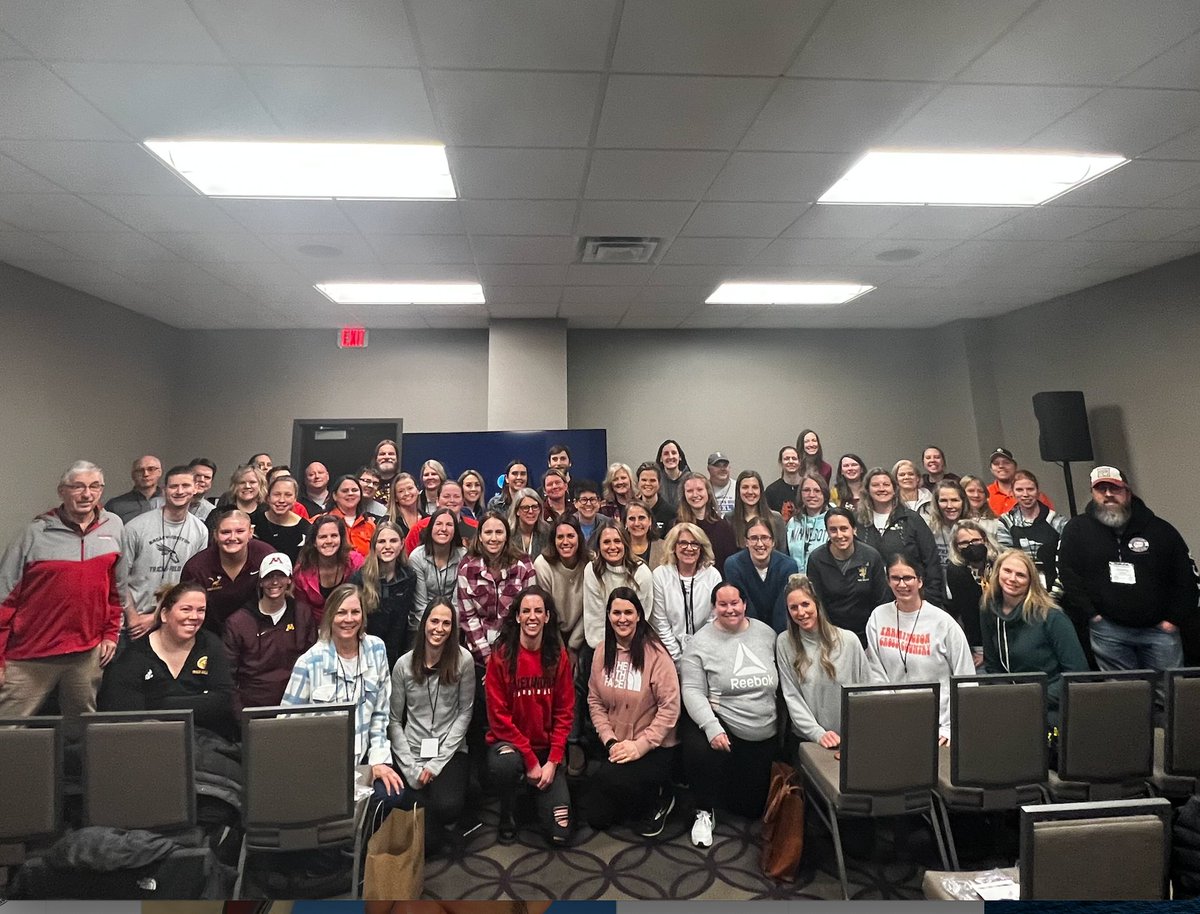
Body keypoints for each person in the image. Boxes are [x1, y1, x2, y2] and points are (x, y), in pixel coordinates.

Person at [0, 461, 123, 716]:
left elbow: (115, 590)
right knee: (9, 731)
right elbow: (4, 599)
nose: (86, 494)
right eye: (77, 487)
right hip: (29, 656)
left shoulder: (113, 527)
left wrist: (110, 633)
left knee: (80, 731)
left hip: (86, 655)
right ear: (61, 491)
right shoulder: (33, 534)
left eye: (94, 486)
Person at [1056, 465, 1198, 675]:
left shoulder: (1160, 529)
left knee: (1170, 695)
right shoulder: (1077, 530)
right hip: (1108, 631)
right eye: (1101, 489)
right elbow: (1067, 573)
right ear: (1093, 493)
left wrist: (1173, 620)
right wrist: (1092, 614)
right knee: (1126, 696)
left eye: (1114, 488)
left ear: (1128, 492)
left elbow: (1186, 577)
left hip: (1160, 631)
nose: (1108, 495)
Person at [283, 584, 403, 806]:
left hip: (363, 762)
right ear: (330, 616)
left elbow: (380, 714)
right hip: (321, 765)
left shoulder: (377, 650)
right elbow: (287, 726)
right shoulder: (309, 662)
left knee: (392, 793)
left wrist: (379, 762)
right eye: (341, 612)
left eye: (355, 612)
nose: (349, 619)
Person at [681, 581, 779, 847]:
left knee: (749, 808)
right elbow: (691, 690)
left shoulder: (767, 634)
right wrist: (712, 727)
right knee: (697, 749)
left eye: (735, 603)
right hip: (725, 728)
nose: (729, 609)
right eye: (722, 604)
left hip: (764, 729)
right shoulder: (699, 642)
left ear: (745, 604)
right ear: (714, 608)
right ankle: (703, 809)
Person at [585, 588, 680, 837]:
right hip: (616, 745)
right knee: (597, 818)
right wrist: (610, 741)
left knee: (613, 784)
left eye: (629, 612)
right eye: (616, 613)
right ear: (608, 616)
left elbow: (670, 709)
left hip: (652, 747)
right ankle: (636, 797)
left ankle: (663, 794)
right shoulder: (601, 652)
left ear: (639, 615)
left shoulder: (656, 655)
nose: (622, 619)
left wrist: (640, 746)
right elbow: (594, 702)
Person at [486, 586, 575, 845]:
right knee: (506, 765)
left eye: (538, 611)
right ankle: (508, 812)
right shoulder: (501, 656)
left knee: (561, 834)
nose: (532, 616)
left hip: (546, 750)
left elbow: (564, 712)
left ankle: (534, 796)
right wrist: (529, 759)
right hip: (511, 747)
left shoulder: (558, 656)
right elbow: (498, 718)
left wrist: (553, 760)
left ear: (547, 617)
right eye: (526, 611)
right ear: (517, 617)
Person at [388, 599, 475, 854]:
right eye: (434, 621)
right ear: (424, 623)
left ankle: (444, 822)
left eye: (446, 623)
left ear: (453, 628)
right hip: (413, 750)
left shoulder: (463, 660)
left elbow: (465, 713)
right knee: (414, 812)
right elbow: (394, 720)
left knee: (447, 806)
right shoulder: (403, 664)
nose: (439, 628)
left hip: (450, 750)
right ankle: (441, 834)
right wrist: (411, 769)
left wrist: (436, 763)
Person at [98, 581, 235, 740]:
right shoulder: (135, 655)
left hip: (205, 739)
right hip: (148, 739)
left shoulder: (211, 645)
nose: (194, 617)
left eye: (201, 610)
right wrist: (197, 702)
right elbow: (126, 713)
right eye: (186, 609)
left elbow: (223, 701)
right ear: (164, 614)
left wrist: (161, 704)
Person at [865, 553, 974, 744]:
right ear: (888, 581)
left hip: (940, 727)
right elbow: (876, 672)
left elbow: (966, 680)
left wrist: (951, 728)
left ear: (920, 581)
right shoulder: (877, 617)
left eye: (908, 578)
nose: (902, 584)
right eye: (895, 578)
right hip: (894, 722)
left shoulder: (944, 623)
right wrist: (890, 714)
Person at [981, 550, 1088, 723]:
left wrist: (1031, 698)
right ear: (997, 571)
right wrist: (1007, 697)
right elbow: (992, 665)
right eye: (1007, 571)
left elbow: (1078, 674)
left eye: (1021, 575)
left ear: (1031, 581)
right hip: (1010, 701)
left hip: (1050, 704)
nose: (1012, 579)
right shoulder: (988, 608)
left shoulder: (1051, 616)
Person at [776, 574, 873, 751]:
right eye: (794, 607)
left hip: (849, 739)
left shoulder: (849, 640)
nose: (801, 612)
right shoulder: (784, 643)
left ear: (817, 604)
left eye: (805, 604)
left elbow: (865, 691)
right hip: (808, 741)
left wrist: (857, 734)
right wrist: (817, 733)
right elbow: (792, 697)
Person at [120, 465, 209, 638]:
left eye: (185, 486)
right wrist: (132, 617)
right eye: (174, 486)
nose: (179, 491)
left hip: (176, 621)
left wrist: (157, 617)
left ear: (195, 489)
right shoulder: (135, 528)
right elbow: (120, 579)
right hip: (136, 623)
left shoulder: (201, 531)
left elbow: (194, 583)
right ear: (164, 490)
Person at [223, 552, 317, 716]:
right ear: (260, 582)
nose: (274, 582)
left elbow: (314, 664)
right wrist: (242, 719)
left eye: (280, 576)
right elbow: (228, 678)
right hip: (253, 708)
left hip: (295, 705)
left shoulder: (302, 613)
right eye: (269, 576)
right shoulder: (238, 622)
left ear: (289, 579)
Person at [456, 512, 538, 669]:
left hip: (517, 650)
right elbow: (468, 618)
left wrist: (511, 656)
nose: (493, 538)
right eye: (488, 532)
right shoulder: (466, 568)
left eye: (499, 532)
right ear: (479, 536)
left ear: (507, 536)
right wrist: (488, 659)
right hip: (479, 655)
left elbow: (529, 613)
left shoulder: (524, 565)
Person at [855, 467, 945, 606]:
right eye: (875, 485)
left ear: (894, 488)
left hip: (912, 597)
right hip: (871, 601)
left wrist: (931, 598)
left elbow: (931, 560)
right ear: (867, 490)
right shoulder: (858, 522)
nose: (881, 489)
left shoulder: (911, 519)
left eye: (886, 484)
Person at [181, 508, 275, 635]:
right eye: (225, 532)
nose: (232, 537)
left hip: (258, 633)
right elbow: (187, 610)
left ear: (250, 533)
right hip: (210, 635)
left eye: (240, 531)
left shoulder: (266, 557)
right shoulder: (197, 568)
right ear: (215, 535)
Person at [805, 508, 889, 645]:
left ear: (854, 529)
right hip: (831, 635)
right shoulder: (816, 559)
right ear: (827, 532)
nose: (839, 535)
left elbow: (881, 601)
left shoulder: (871, 557)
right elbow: (817, 603)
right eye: (833, 530)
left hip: (868, 634)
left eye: (844, 528)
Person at [652, 524, 723, 664]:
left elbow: (713, 619)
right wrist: (677, 660)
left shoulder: (713, 575)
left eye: (695, 544)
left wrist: (698, 655)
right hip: (668, 656)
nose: (689, 548)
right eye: (683, 543)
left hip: (706, 653)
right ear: (673, 546)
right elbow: (661, 623)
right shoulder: (660, 575)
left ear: (701, 547)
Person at [352, 521, 416, 671]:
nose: (387, 546)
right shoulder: (360, 578)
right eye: (381, 541)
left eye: (393, 541)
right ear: (374, 546)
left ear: (401, 544)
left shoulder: (409, 576)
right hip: (364, 652)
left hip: (398, 651)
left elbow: (404, 621)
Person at [583, 525, 655, 655]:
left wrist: (624, 652)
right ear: (598, 546)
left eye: (617, 541)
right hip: (600, 645)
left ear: (626, 544)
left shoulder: (642, 573)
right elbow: (594, 617)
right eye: (606, 542)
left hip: (634, 644)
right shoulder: (592, 570)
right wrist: (605, 653)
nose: (612, 547)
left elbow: (642, 617)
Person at [724, 518, 800, 634]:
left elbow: (782, 611)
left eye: (765, 538)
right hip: (745, 631)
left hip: (781, 632)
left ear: (773, 541)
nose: (760, 544)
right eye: (754, 538)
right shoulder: (733, 565)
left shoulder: (788, 566)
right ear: (746, 542)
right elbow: (743, 606)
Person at [996, 469, 1068, 587]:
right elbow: (1006, 561)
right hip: (1019, 589)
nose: (1025, 494)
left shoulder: (1058, 521)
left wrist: (1055, 594)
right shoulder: (1006, 522)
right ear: (1012, 493)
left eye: (1030, 489)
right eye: (1019, 490)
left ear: (1038, 491)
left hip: (1055, 590)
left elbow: (1065, 562)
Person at [292, 514, 365, 628]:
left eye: (334, 535)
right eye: (323, 537)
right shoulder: (302, 572)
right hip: (316, 629)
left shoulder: (356, 563)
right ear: (314, 542)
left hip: (352, 625)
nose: (329, 541)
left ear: (341, 539)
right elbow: (302, 613)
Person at [534, 516, 590, 664]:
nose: (565, 542)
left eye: (570, 536)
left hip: (583, 631)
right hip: (550, 630)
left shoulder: (591, 563)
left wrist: (572, 646)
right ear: (553, 540)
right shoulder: (542, 565)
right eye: (560, 537)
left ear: (579, 537)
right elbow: (547, 611)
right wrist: (561, 649)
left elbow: (591, 609)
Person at [944, 519, 1000, 664]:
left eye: (976, 540)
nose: (971, 545)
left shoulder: (1000, 564)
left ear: (985, 540)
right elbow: (967, 614)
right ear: (957, 548)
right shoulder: (956, 572)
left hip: (1005, 635)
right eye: (964, 543)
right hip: (977, 641)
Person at [410, 508, 468, 625]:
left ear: (455, 530)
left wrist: (448, 627)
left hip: (453, 621)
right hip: (422, 622)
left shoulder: (463, 556)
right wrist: (434, 627)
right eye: (439, 524)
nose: (443, 529)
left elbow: (458, 603)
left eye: (449, 525)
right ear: (431, 528)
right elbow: (420, 605)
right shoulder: (417, 557)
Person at [676, 473, 738, 573]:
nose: (695, 494)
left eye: (699, 490)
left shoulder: (723, 527)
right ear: (684, 495)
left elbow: (729, 563)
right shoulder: (676, 527)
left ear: (708, 492)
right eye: (690, 491)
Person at [404, 479, 479, 554]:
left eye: (456, 496)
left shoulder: (477, 527)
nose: (452, 500)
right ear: (437, 501)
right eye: (446, 496)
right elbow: (406, 557)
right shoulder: (420, 528)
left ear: (462, 501)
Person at [250, 475, 311, 564]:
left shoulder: (305, 529)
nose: (282, 500)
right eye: (277, 494)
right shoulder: (254, 521)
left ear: (295, 499)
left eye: (288, 495)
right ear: (268, 497)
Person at [728, 470, 787, 551]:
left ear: (761, 491)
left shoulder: (776, 519)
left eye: (755, 487)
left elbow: (783, 554)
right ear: (738, 491)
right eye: (745, 487)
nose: (750, 492)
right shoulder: (729, 519)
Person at [784, 473, 830, 573]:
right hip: (795, 582)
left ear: (825, 494)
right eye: (806, 490)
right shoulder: (793, 522)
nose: (811, 495)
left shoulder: (832, 522)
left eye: (817, 491)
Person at [987, 447, 1052, 517]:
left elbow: (1051, 521)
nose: (1001, 466)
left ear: (1015, 466)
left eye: (1006, 462)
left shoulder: (1035, 495)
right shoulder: (985, 494)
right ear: (991, 469)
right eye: (996, 463)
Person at [926, 479, 969, 577]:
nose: (949, 506)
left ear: (963, 501)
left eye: (955, 500)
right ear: (936, 503)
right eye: (943, 501)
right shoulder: (928, 529)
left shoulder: (974, 529)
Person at [327, 474, 376, 559]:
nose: (350, 493)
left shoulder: (370, 525)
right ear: (335, 496)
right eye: (345, 491)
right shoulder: (322, 521)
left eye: (354, 490)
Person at [105, 455, 163, 524]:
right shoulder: (115, 505)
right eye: (140, 470)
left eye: (151, 469)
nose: (145, 474)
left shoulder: (171, 502)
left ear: (159, 472)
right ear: (133, 475)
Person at [636, 461, 677, 536]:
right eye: (644, 480)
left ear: (659, 483)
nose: (648, 484)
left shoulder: (671, 513)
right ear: (638, 483)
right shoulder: (630, 511)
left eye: (652, 480)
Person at [624, 501, 666, 570]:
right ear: (625, 523)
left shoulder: (664, 547)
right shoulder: (620, 548)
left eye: (641, 518)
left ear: (650, 521)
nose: (637, 523)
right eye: (632, 519)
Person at [508, 488, 549, 558]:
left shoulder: (548, 532)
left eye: (535, 507)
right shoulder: (508, 533)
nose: (530, 511)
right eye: (525, 507)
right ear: (517, 511)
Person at [764, 446, 803, 519]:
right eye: (786, 459)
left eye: (794, 458)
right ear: (780, 463)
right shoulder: (772, 491)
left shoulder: (808, 488)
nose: (791, 461)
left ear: (799, 462)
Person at [960, 473, 1001, 540]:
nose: (976, 495)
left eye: (980, 491)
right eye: (971, 491)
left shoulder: (996, 523)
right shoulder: (954, 520)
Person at [388, 472, 424, 544]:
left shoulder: (428, 520)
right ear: (395, 498)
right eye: (401, 491)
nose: (407, 493)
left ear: (417, 490)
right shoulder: (388, 521)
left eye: (410, 488)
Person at [655, 439, 690, 511]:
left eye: (674, 453)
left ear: (680, 457)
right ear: (661, 459)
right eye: (666, 454)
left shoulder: (690, 479)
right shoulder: (656, 480)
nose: (670, 457)